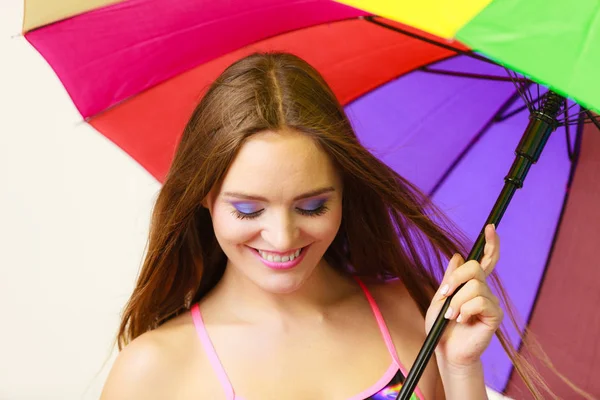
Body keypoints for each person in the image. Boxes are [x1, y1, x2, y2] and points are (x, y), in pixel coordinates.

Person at [101, 52, 543, 399]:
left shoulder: (415, 316)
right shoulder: (153, 371)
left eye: (311, 206)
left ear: (344, 191)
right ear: (204, 195)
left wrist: (461, 368)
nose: (282, 237)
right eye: (249, 211)